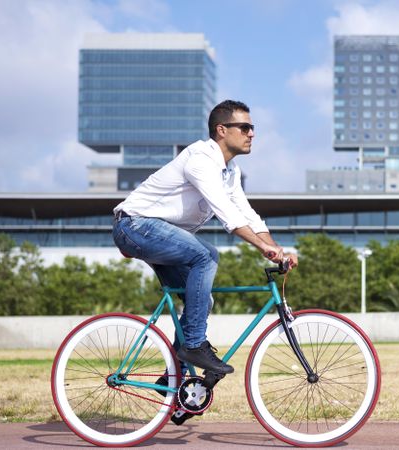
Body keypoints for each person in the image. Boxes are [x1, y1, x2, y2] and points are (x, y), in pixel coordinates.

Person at [112, 100, 298, 376]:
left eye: (252, 128)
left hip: (160, 233)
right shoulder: (201, 159)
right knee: (206, 255)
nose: (252, 134)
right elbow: (228, 215)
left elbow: (247, 214)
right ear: (222, 130)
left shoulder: (229, 171)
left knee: (200, 299)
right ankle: (195, 345)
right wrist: (262, 247)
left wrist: (274, 248)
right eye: (245, 127)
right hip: (135, 226)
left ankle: (175, 379)